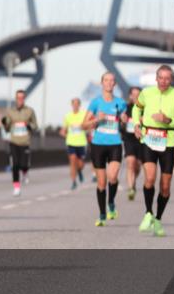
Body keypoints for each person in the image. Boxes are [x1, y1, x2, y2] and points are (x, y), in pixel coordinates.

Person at [133, 65, 174, 237]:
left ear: (171, 80)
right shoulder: (147, 93)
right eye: (161, 78)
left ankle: (158, 219)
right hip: (148, 139)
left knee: (165, 186)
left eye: (167, 78)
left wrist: (168, 120)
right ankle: (148, 213)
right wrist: (136, 124)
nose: (163, 81)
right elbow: (136, 108)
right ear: (156, 78)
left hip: (168, 142)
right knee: (149, 178)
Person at [82, 72, 127, 226]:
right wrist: (97, 120)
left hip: (115, 143)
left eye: (111, 80)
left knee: (112, 177)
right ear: (102, 83)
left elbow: (125, 121)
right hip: (98, 145)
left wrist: (124, 120)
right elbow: (83, 125)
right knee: (101, 183)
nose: (109, 83)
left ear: (114, 84)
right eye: (106, 80)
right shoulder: (95, 103)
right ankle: (102, 214)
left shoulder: (120, 103)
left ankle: (111, 202)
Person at [2, 89, 38, 196]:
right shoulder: (10, 111)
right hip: (14, 141)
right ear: (16, 99)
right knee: (15, 165)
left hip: (25, 142)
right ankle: (16, 187)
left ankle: (25, 172)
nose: (20, 100)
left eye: (22, 98)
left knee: (24, 165)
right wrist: (5, 123)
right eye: (18, 98)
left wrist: (29, 126)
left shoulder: (30, 111)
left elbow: (35, 126)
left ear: (24, 99)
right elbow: (7, 128)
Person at [60, 98, 87, 190]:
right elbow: (64, 129)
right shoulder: (67, 116)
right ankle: (73, 182)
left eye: (77, 104)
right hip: (71, 142)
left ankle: (79, 171)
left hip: (81, 142)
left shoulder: (84, 115)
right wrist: (63, 132)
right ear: (71, 105)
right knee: (72, 161)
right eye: (73, 104)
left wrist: (85, 127)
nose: (75, 106)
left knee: (80, 164)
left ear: (79, 105)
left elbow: (88, 126)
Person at [121, 86, 143, 201]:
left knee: (137, 165)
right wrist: (122, 120)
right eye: (133, 95)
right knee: (130, 162)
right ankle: (130, 188)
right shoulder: (125, 108)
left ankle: (133, 181)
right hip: (129, 139)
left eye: (138, 95)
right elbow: (119, 123)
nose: (135, 97)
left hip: (141, 140)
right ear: (130, 96)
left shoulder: (145, 108)